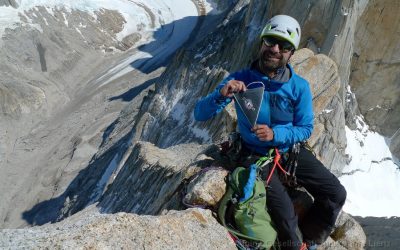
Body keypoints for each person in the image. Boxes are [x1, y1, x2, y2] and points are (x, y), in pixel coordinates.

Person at [194, 15, 346, 250]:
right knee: (286, 219)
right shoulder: (240, 80)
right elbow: (200, 114)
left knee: (336, 193)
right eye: (270, 41)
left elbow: (305, 129)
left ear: (291, 53)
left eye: (284, 46)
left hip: (287, 151)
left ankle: (310, 240)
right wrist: (221, 95)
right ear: (261, 42)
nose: (275, 49)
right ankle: (296, 243)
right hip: (254, 155)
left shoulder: (299, 87)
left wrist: (276, 135)